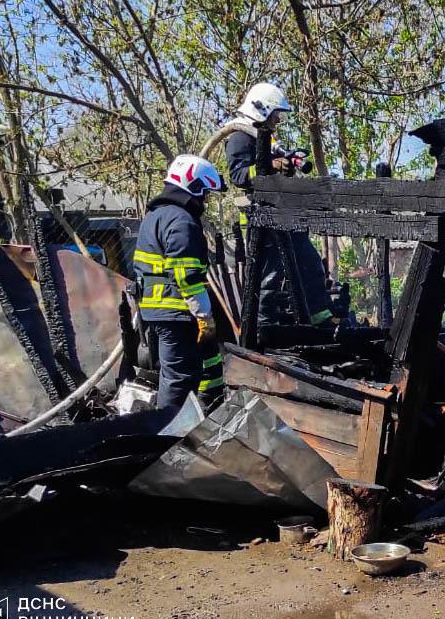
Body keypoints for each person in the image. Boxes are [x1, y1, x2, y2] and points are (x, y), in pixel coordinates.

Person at [224, 83, 334, 326]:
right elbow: (239, 176)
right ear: (262, 109)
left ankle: (318, 318)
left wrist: (288, 162)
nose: (277, 120)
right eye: (275, 114)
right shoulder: (239, 138)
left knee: (309, 263)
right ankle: (264, 326)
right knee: (270, 276)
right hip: (263, 222)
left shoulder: (266, 139)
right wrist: (269, 166)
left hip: (284, 216)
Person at [134, 155, 225, 410]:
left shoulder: (156, 216)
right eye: (204, 192)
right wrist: (204, 315)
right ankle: (171, 436)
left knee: (178, 374)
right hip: (176, 311)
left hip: (159, 312)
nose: (205, 200)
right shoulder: (182, 220)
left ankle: (181, 429)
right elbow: (186, 276)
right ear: (193, 187)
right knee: (180, 379)